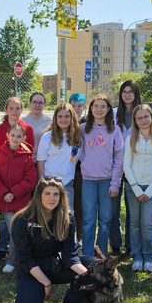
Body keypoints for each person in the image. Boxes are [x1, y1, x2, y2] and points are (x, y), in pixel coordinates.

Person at [11, 178, 89, 303]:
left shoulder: (67, 218)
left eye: (56, 194)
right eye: (47, 193)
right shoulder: (22, 219)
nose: (51, 198)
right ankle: (31, 293)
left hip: (56, 265)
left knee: (94, 267)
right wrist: (46, 283)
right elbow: (25, 258)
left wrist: (90, 277)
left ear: (61, 196)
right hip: (32, 270)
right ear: (38, 195)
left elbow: (70, 255)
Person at [123, 104, 152, 273]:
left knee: (147, 223)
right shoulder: (130, 139)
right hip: (133, 186)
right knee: (134, 223)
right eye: (139, 118)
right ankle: (137, 257)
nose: (143, 120)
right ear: (135, 120)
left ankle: (148, 257)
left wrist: (148, 191)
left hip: (151, 186)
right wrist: (136, 189)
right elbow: (126, 165)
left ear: (151, 117)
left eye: (146, 116)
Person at [79, 94, 124, 257]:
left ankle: (102, 254)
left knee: (105, 220)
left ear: (108, 109)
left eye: (103, 106)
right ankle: (87, 255)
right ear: (91, 108)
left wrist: (115, 183)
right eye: (96, 106)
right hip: (88, 180)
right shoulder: (83, 129)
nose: (99, 109)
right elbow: (76, 150)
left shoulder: (115, 130)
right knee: (88, 219)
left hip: (107, 181)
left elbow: (119, 158)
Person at [0, 122, 37, 273]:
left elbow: (30, 179)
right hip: (5, 200)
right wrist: (4, 193)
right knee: (13, 230)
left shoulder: (27, 156)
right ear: (7, 136)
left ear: (24, 138)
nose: (15, 139)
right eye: (13, 135)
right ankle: (12, 260)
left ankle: (19, 259)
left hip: (21, 200)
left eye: (19, 136)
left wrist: (14, 192)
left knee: (19, 230)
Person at [0, 97, 34, 260]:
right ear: (6, 110)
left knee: (18, 221)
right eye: (11, 108)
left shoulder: (28, 129)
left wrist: (15, 190)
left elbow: (28, 152)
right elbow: (0, 155)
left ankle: (17, 252)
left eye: (18, 108)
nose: (14, 111)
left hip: (20, 182)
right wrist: (4, 190)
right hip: (3, 181)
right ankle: (3, 246)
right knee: (4, 219)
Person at [110, 80, 142, 258]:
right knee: (113, 209)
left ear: (136, 94)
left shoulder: (142, 114)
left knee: (132, 210)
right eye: (124, 91)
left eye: (131, 91)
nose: (127, 94)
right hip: (114, 167)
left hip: (134, 168)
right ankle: (115, 245)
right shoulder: (114, 114)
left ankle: (131, 245)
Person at [36, 102, 82, 207]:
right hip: (49, 183)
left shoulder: (77, 139)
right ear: (55, 118)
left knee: (67, 214)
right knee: (49, 214)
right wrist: (42, 183)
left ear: (72, 118)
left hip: (67, 183)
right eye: (60, 116)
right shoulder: (47, 137)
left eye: (67, 116)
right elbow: (40, 161)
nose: (63, 119)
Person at [69, 92, 87, 243]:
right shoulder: (64, 121)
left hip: (81, 171)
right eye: (73, 105)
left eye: (79, 106)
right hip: (66, 170)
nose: (76, 108)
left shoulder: (87, 124)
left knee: (80, 205)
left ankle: (80, 237)